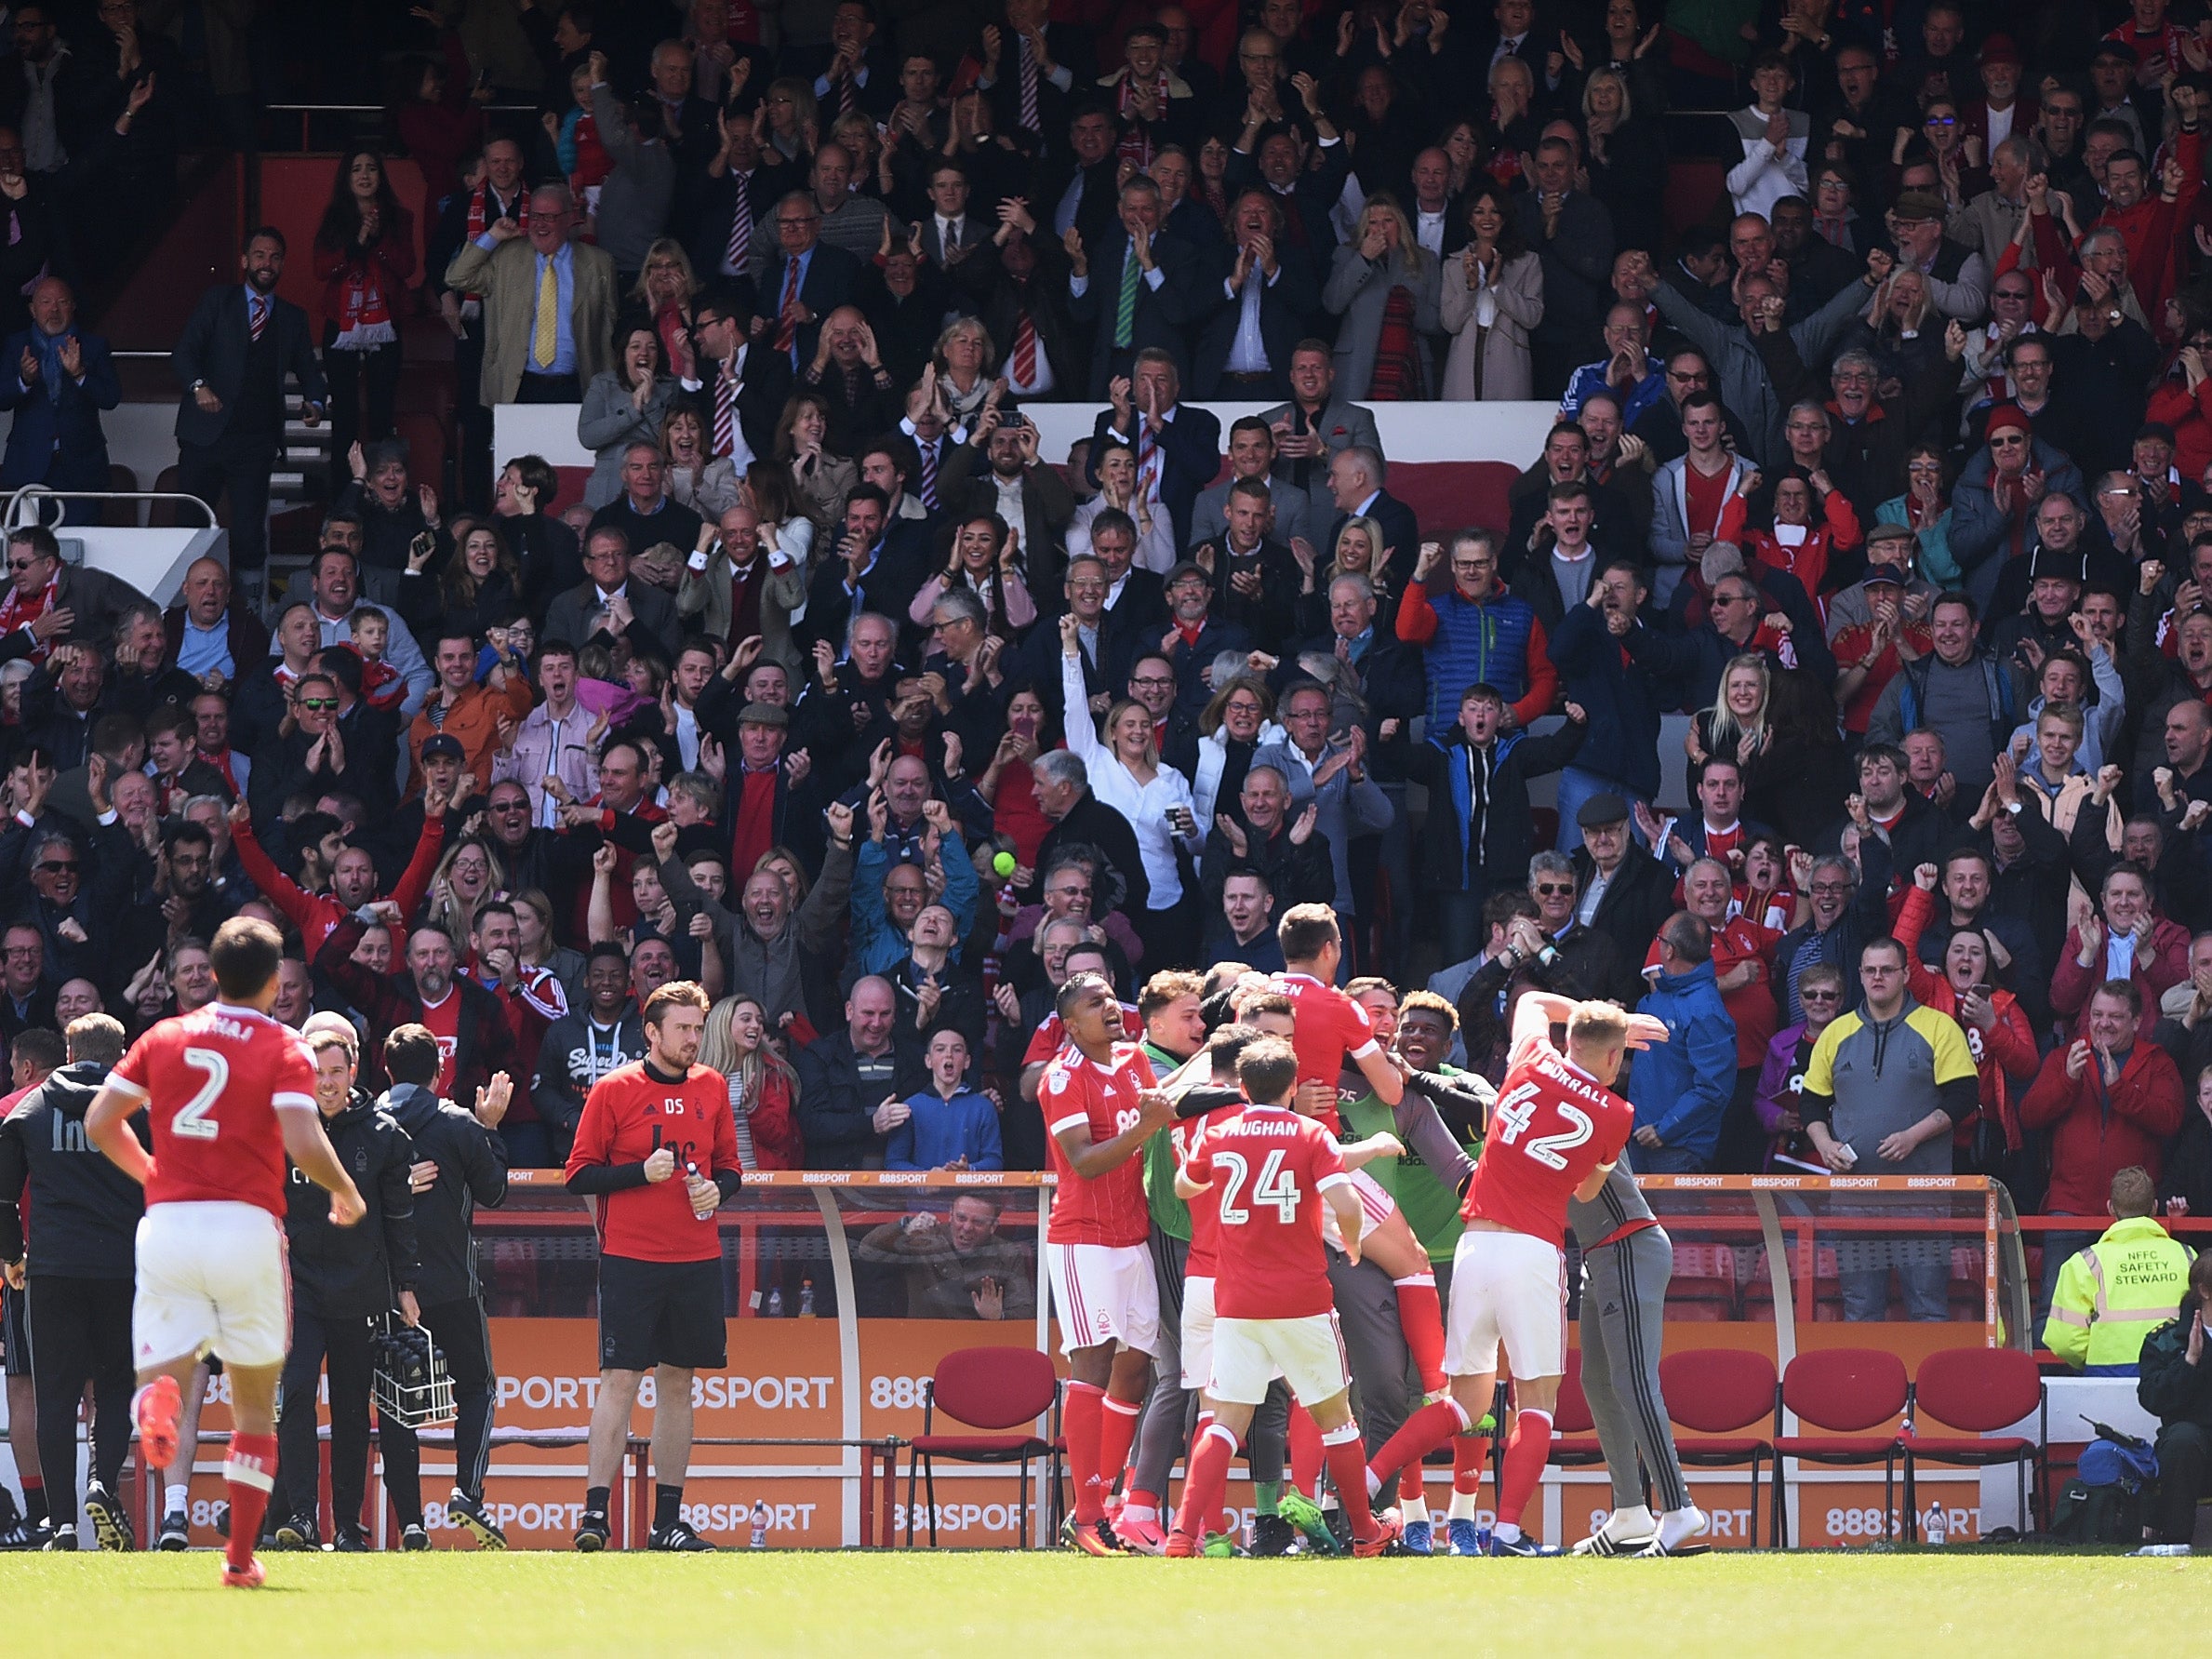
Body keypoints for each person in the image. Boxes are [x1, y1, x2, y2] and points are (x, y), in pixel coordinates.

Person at [82, 916, 365, 1590]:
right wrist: (345, 1190)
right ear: (274, 982)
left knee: (167, 1372)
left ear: (209, 972)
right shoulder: (284, 1046)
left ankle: (152, 1405)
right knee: (253, 1404)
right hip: (246, 1225)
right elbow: (301, 1136)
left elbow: (100, 1122)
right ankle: (238, 1559)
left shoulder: (164, 1034)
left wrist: (153, 1172)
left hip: (170, 1223)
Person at [1360, 992, 1652, 1556]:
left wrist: (1592, 1019)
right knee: (1536, 1399)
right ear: (1615, 1060)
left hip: (1473, 1247)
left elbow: (1535, 1000)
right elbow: (1588, 1189)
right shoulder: (1617, 1112)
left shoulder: (1532, 1059)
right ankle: (1507, 1531)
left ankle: (1370, 1480)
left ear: (1568, 1042)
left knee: (1461, 1402)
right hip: (1533, 1251)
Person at [1166, 1035, 1401, 1558]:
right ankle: (1364, 1532)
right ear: (1293, 1086)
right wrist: (1356, 1244)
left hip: (1237, 1301)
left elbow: (1184, 1185)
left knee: (1226, 1420)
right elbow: (1344, 1200)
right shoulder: (1311, 1134)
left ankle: (1182, 1536)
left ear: (1243, 1087)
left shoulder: (1222, 1132)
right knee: (1336, 1418)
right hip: (1302, 1301)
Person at [564, 981, 739, 1553]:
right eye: (683, 1029)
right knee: (619, 1381)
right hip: (630, 1258)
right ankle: (595, 1516)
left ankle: (668, 1522)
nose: (693, 1039)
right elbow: (579, 1174)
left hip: (696, 1259)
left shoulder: (713, 1086)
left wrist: (719, 1191)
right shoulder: (614, 1090)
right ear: (653, 1032)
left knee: (679, 1384)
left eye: (698, 1028)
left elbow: (732, 1168)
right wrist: (642, 1172)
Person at [1041, 970, 1177, 1554]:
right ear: (1071, 1025)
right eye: (1095, 1003)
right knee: (1092, 1368)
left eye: (1111, 997)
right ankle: (1087, 1513)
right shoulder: (1061, 1078)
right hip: (1083, 1240)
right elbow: (1084, 1163)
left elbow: (1153, 1127)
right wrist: (1146, 1126)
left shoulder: (1132, 1060)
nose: (1111, 1008)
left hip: (1134, 1235)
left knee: (1136, 1367)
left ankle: (1116, 1501)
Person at [272, 1019, 418, 1553]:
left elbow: (401, 1218)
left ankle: (347, 1527)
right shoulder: (282, 1124)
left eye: (337, 1071)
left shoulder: (382, 1133)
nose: (327, 1082)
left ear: (354, 1072)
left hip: (361, 1292)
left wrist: (405, 1284)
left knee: (354, 1412)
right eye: (318, 1071)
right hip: (297, 1289)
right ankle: (302, 1519)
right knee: (294, 1397)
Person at [368, 1023, 511, 1548]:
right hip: (454, 1284)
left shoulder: (368, 1121)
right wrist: (491, 1126)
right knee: (477, 1387)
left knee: (394, 1400)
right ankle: (467, 1494)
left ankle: (410, 1523)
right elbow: (495, 1194)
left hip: (385, 1289)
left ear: (385, 1069)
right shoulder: (459, 1124)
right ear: (440, 1071)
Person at [0, 1014, 138, 1550]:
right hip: (121, 1270)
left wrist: (13, 1256)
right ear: (120, 1053)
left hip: (52, 1272)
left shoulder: (29, 1111)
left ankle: (60, 1525)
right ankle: (102, 1482)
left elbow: (4, 1199)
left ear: (69, 1049)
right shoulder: (138, 1111)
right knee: (113, 1389)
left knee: (53, 1398)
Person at [1799, 937, 1979, 1320]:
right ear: (1860, 976)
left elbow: (1963, 1098)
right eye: (1870, 971)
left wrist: (1914, 1135)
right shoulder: (1836, 1032)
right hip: (1853, 1201)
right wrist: (1824, 1143)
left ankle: (1929, 1383)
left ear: (1906, 975)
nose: (1878, 977)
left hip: (1922, 1200)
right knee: (1860, 1309)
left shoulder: (1939, 1027)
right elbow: (1811, 1101)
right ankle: (1862, 1383)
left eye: (1887, 970)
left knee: (1928, 1308)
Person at [172, 229, 327, 592]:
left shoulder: (292, 317)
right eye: (259, 255)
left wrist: (315, 402)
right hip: (205, 436)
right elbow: (184, 353)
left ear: (283, 264)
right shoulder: (217, 301)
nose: (266, 263)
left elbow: (308, 368)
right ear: (244, 261)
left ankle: (248, 613)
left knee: (248, 534)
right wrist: (199, 386)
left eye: (274, 257)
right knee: (190, 525)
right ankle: (179, 606)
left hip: (255, 442)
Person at [441, 183, 618, 405]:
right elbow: (457, 277)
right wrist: (493, 236)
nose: (540, 224)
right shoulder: (506, 256)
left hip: (578, 387)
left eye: (549, 216)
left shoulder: (599, 263)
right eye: (535, 215)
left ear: (569, 218)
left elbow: (607, 331)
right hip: (518, 387)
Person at [2043, 1167, 2196, 1375]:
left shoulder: (2084, 1263)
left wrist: (2096, 1357)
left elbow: (2063, 1342)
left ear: (2110, 1208)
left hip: (2107, 1376)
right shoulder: (2186, 1256)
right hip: (2173, 1373)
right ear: (2154, 1207)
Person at [1626, 913, 1738, 1173]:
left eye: (1659, 940)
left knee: (1674, 1217)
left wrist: (1665, 1129)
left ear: (1669, 951)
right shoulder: (1664, 993)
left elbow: (1713, 1089)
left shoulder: (1705, 1009)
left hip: (1677, 1148)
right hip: (1640, 1138)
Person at [0, 277, 118, 519]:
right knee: (27, 547)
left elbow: (111, 398)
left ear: (72, 307)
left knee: (83, 546)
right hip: (28, 467)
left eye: (61, 302)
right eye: (45, 302)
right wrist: (24, 381)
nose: (53, 310)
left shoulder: (94, 346)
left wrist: (80, 375)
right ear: (33, 310)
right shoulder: (16, 346)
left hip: (82, 468)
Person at [2135, 1252, 2212, 1549]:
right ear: (2204, 1291)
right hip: (2193, 1450)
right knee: (2182, 1438)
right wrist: (2190, 1361)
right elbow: (2152, 1399)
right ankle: (2176, 1542)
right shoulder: (2166, 1340)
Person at [886, 1029, 1000, 1170]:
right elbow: (894, 1163)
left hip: (969, 1192)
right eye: (940, 1049)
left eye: (957, 1050)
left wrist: (970, 1170)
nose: (949, 1055)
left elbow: (994, 1160)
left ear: (967, 1061)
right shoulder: (909, 1108)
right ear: (928, 1061)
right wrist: (926, 1178)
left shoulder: (984, 1108)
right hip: (920, 1192)